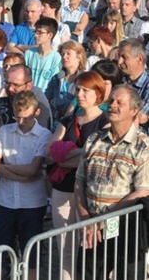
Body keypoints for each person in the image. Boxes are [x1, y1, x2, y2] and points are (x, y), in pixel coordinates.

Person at [75, 85, 149, 280]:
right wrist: (85, 219)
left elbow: (141, 192)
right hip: (92, 229)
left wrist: (104, 220)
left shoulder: (143, 147)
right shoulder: (93, 140)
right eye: (111, 101)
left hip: (126, 228)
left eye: (119, 103)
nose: (112, 106)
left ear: (134, 111)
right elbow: (79, 183)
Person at [46, 71, 108, 280]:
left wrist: (66, 155)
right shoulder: (68, 120)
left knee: (91, 245)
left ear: (97, 93)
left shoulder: (105, 122)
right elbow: (51, 150)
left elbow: (98, 154)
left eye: (85, 90)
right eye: (78, 89)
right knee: (65, 245)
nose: (80, 94)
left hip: (91, 191)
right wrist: (78, 153)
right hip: (63, 188)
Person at [0, 91, 51, 280]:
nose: (20, 122)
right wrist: (22, 175)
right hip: (4, 200)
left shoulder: (44, 135)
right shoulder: (5, 131)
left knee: (31, 255)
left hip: (32, 203)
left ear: (36, 113)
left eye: (25, 117)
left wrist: (6, 168)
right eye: (17, 117)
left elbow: (33, 169)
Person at [24, 17, 62, 91]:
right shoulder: (29, 53)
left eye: (40, 32)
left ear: (50, 35)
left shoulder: (56, 58)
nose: (35, 35)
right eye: (35, 32)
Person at [117, 38, 149, 116]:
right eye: (119, 57)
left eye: (124, 57)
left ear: (139, 59)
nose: (119, 61)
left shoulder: (147, 85)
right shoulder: (117, 79)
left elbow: (141, 117)